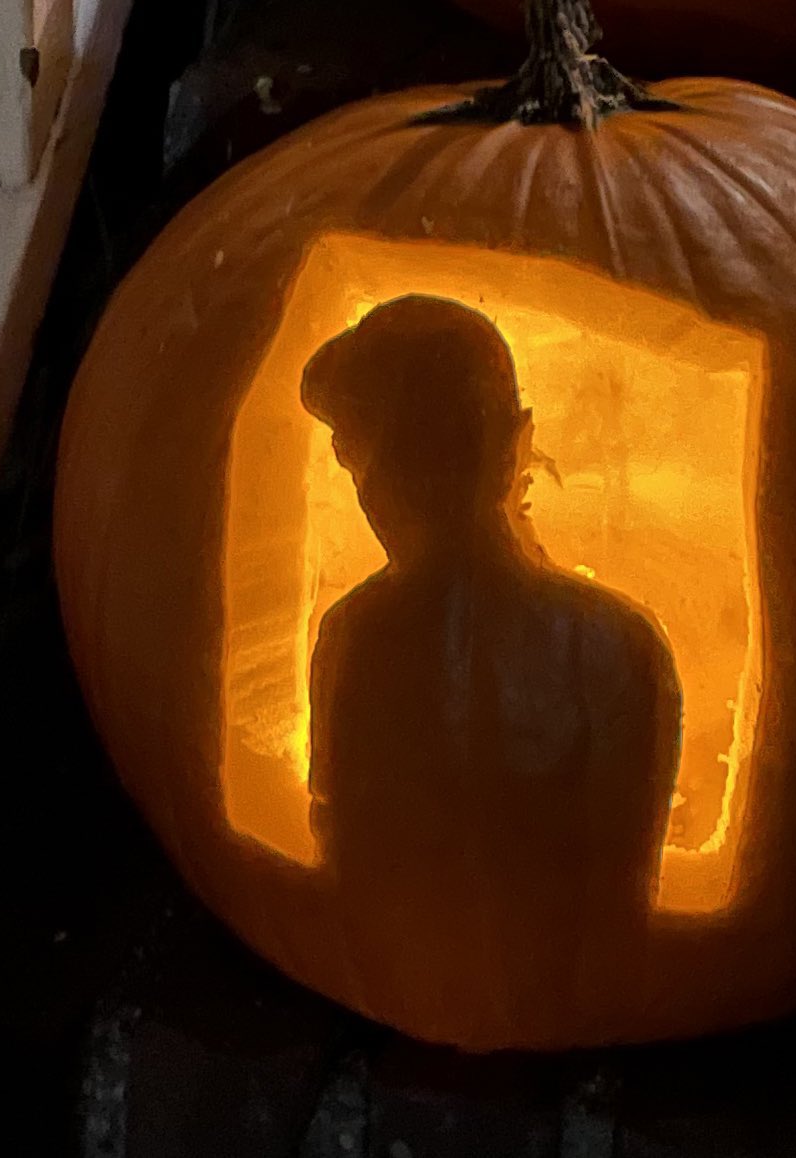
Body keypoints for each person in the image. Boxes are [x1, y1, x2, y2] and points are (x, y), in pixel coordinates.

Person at [301, 294, 680, 1020]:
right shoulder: (354, 638)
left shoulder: (611, 654)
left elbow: (619, 909)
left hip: (561, 1014)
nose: (389, 487)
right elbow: (342, 857)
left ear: (513, 445)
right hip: (394, 995)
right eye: (367, 456)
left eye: (430, 447)